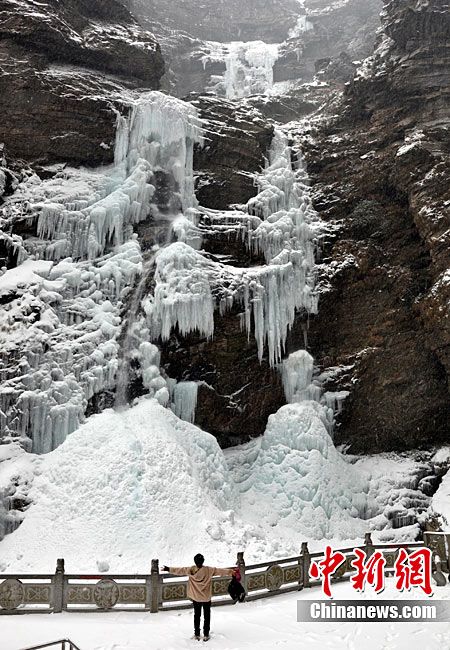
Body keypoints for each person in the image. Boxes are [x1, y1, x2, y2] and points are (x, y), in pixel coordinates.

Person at [162, 553, 235, 641]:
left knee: (197, 616)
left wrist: (168, 569)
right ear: (203, 561)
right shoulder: (209, 570)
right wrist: (231, 572)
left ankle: (197, 634)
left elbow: (180, 570)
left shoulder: (191, 570)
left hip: (196, 598)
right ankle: (206, 634)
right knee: (207, 616)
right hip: (206, 598)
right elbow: (220, 571)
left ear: (195, 562)